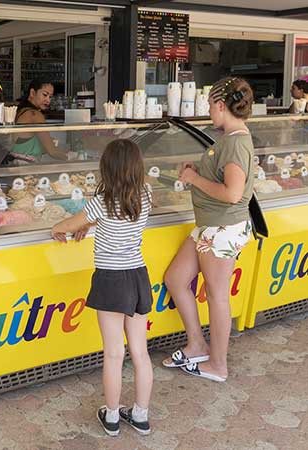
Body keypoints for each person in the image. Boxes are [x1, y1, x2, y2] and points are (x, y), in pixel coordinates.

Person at [51, 139, 154, 437]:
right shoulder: (145, 195)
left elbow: (69, 224)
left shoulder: (102, 201)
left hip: (111, 278)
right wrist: (92, 225)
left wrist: (56, 228)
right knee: (139, 352)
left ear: (106, 169)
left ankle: (111, 416)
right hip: (137, 275)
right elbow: (117, 223)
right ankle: (141, 416)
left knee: (113, 353)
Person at [162, 77, 254, 382]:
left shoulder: (237, 143)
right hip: (208, 226)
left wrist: (194, 180)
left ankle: (218, 365)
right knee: (175, 279)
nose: (209, 112)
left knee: (217, 296)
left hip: (222, 228)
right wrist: (198, 170)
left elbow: (232, 193)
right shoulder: (228, 138)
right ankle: (197, 344)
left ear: (219, 105)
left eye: (210, 106)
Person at [13, 79, 67, 160]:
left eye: (50, 97)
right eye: (45, 95)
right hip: (26, 167)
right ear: (32, 93)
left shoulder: (22, 110)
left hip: (18, 164)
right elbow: (52, 152)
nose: (48, 100)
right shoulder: (35, 115)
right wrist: (71, 158)